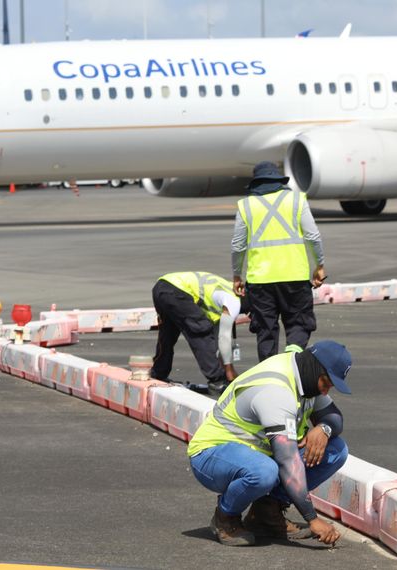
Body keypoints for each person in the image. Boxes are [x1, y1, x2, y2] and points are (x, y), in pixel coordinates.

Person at [187, 339, 352, 546]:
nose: (326, 391)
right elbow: (288, 462)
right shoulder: (277, 390)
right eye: (326, 383)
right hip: (212, 454)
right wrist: (313, 519)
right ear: (315, 369)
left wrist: (323, 429)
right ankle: (225, 517)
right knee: (265, 472)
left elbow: (335, 417)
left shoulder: (306, 377)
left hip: (257, 455)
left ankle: (266, 513)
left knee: (336, 450)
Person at [232, 161, 327, 360]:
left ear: (256, 183)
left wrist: (236, 275)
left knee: (265, 331)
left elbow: (238, 246)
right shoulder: (296, 200)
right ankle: (291, 361)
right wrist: (319, 265)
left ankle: (269, 376)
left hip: (260, 282)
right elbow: (313, 236)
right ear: (279, 180)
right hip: (295, 277)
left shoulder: (246, 205)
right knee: (298, 325)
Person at [149, 271, 245, 394]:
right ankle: (217, 381)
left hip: (162, 286)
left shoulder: (226, 288)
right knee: (201, 330)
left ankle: (158, 372)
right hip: (177, 291)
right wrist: (229, 372)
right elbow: (224, 338)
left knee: (168, 333)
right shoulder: (234, 301)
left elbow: (218, 341)